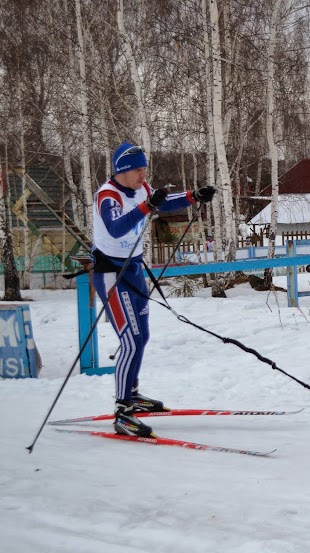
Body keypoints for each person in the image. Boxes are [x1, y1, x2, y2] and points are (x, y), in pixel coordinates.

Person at [92, 142, 216, 437]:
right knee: (131, 340)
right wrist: (148, 206)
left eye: (144, 168)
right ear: (123, 170)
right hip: (111, 273)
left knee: (143, 334)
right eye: (138, 169)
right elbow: (115, 228)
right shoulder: (108, 195)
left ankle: (132, 394)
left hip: (133, 269)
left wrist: (193, 196)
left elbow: (164, 201)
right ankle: (123, 412)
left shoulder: (142, 189)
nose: (143, 174)